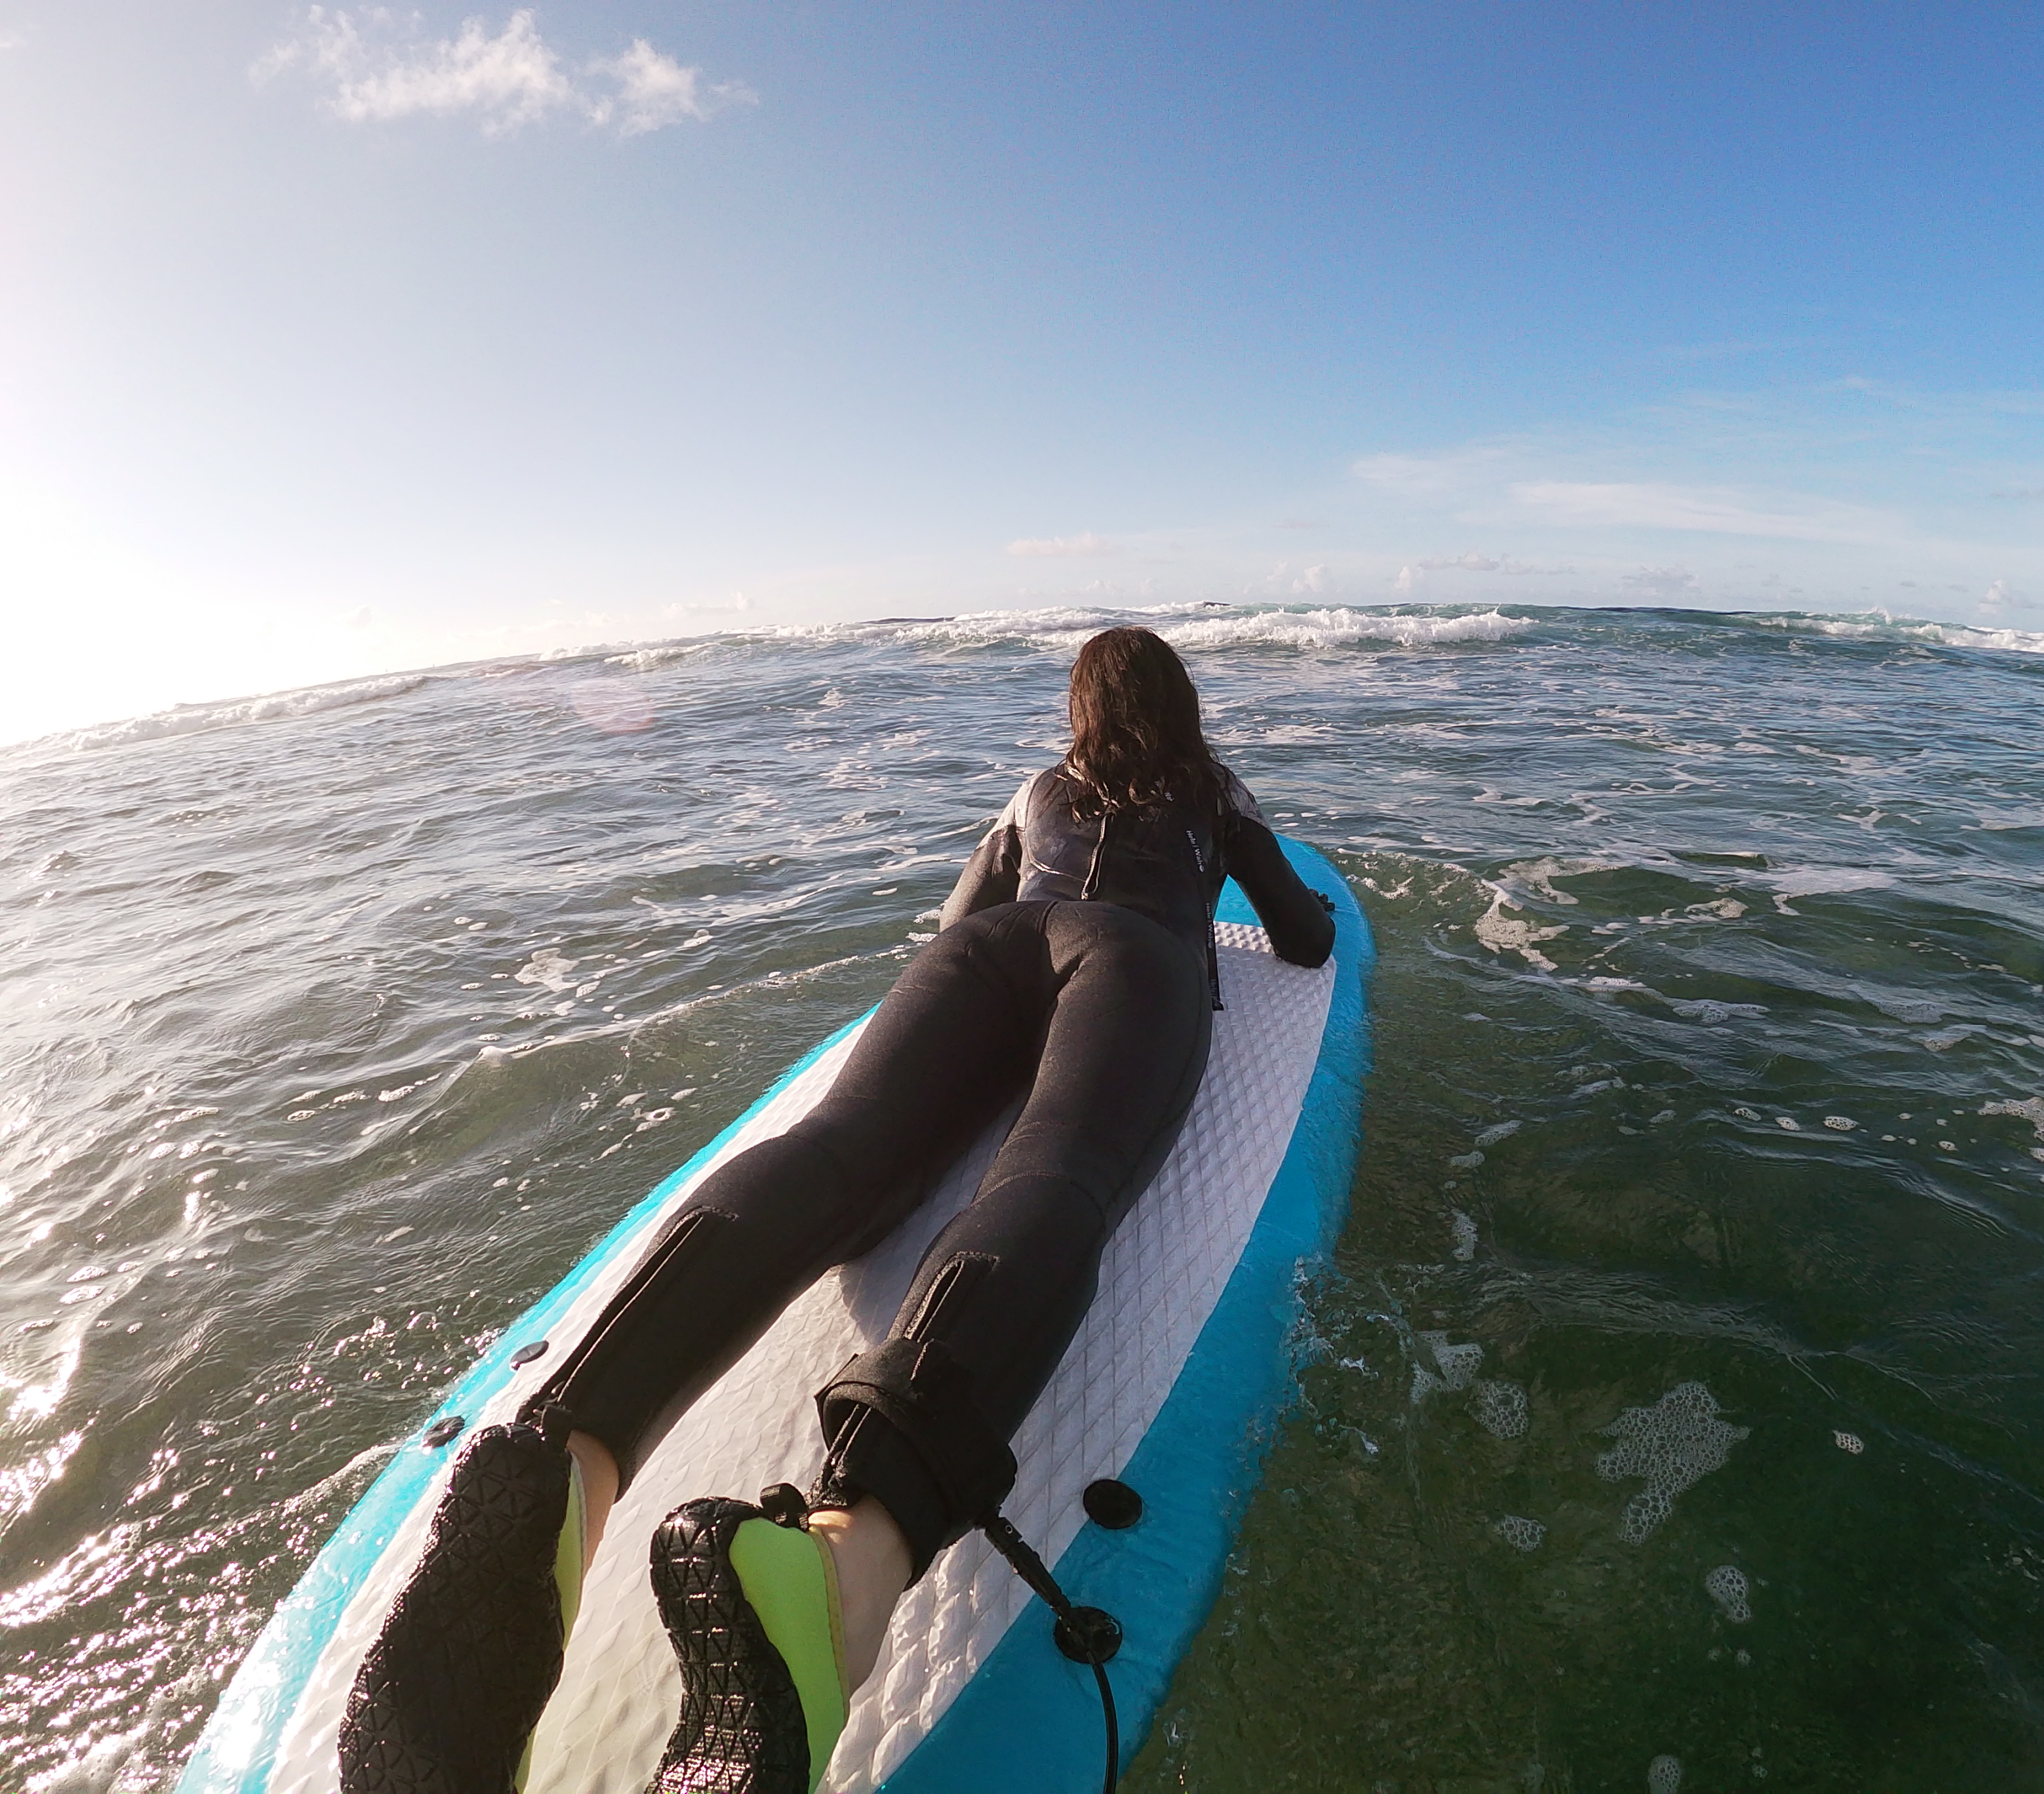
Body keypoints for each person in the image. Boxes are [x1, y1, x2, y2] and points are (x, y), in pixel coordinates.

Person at [338, 626, 1336, 1794]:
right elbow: (1302, 938)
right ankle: (845, 1568)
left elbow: (959, 919)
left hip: (980, 957)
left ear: (1077, 715)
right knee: (1052, 1171)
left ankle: (566, 1460)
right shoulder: (1210, 788)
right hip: (1133, 965)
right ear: (1182, 704)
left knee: (838, 1150)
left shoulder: (1035, 793)